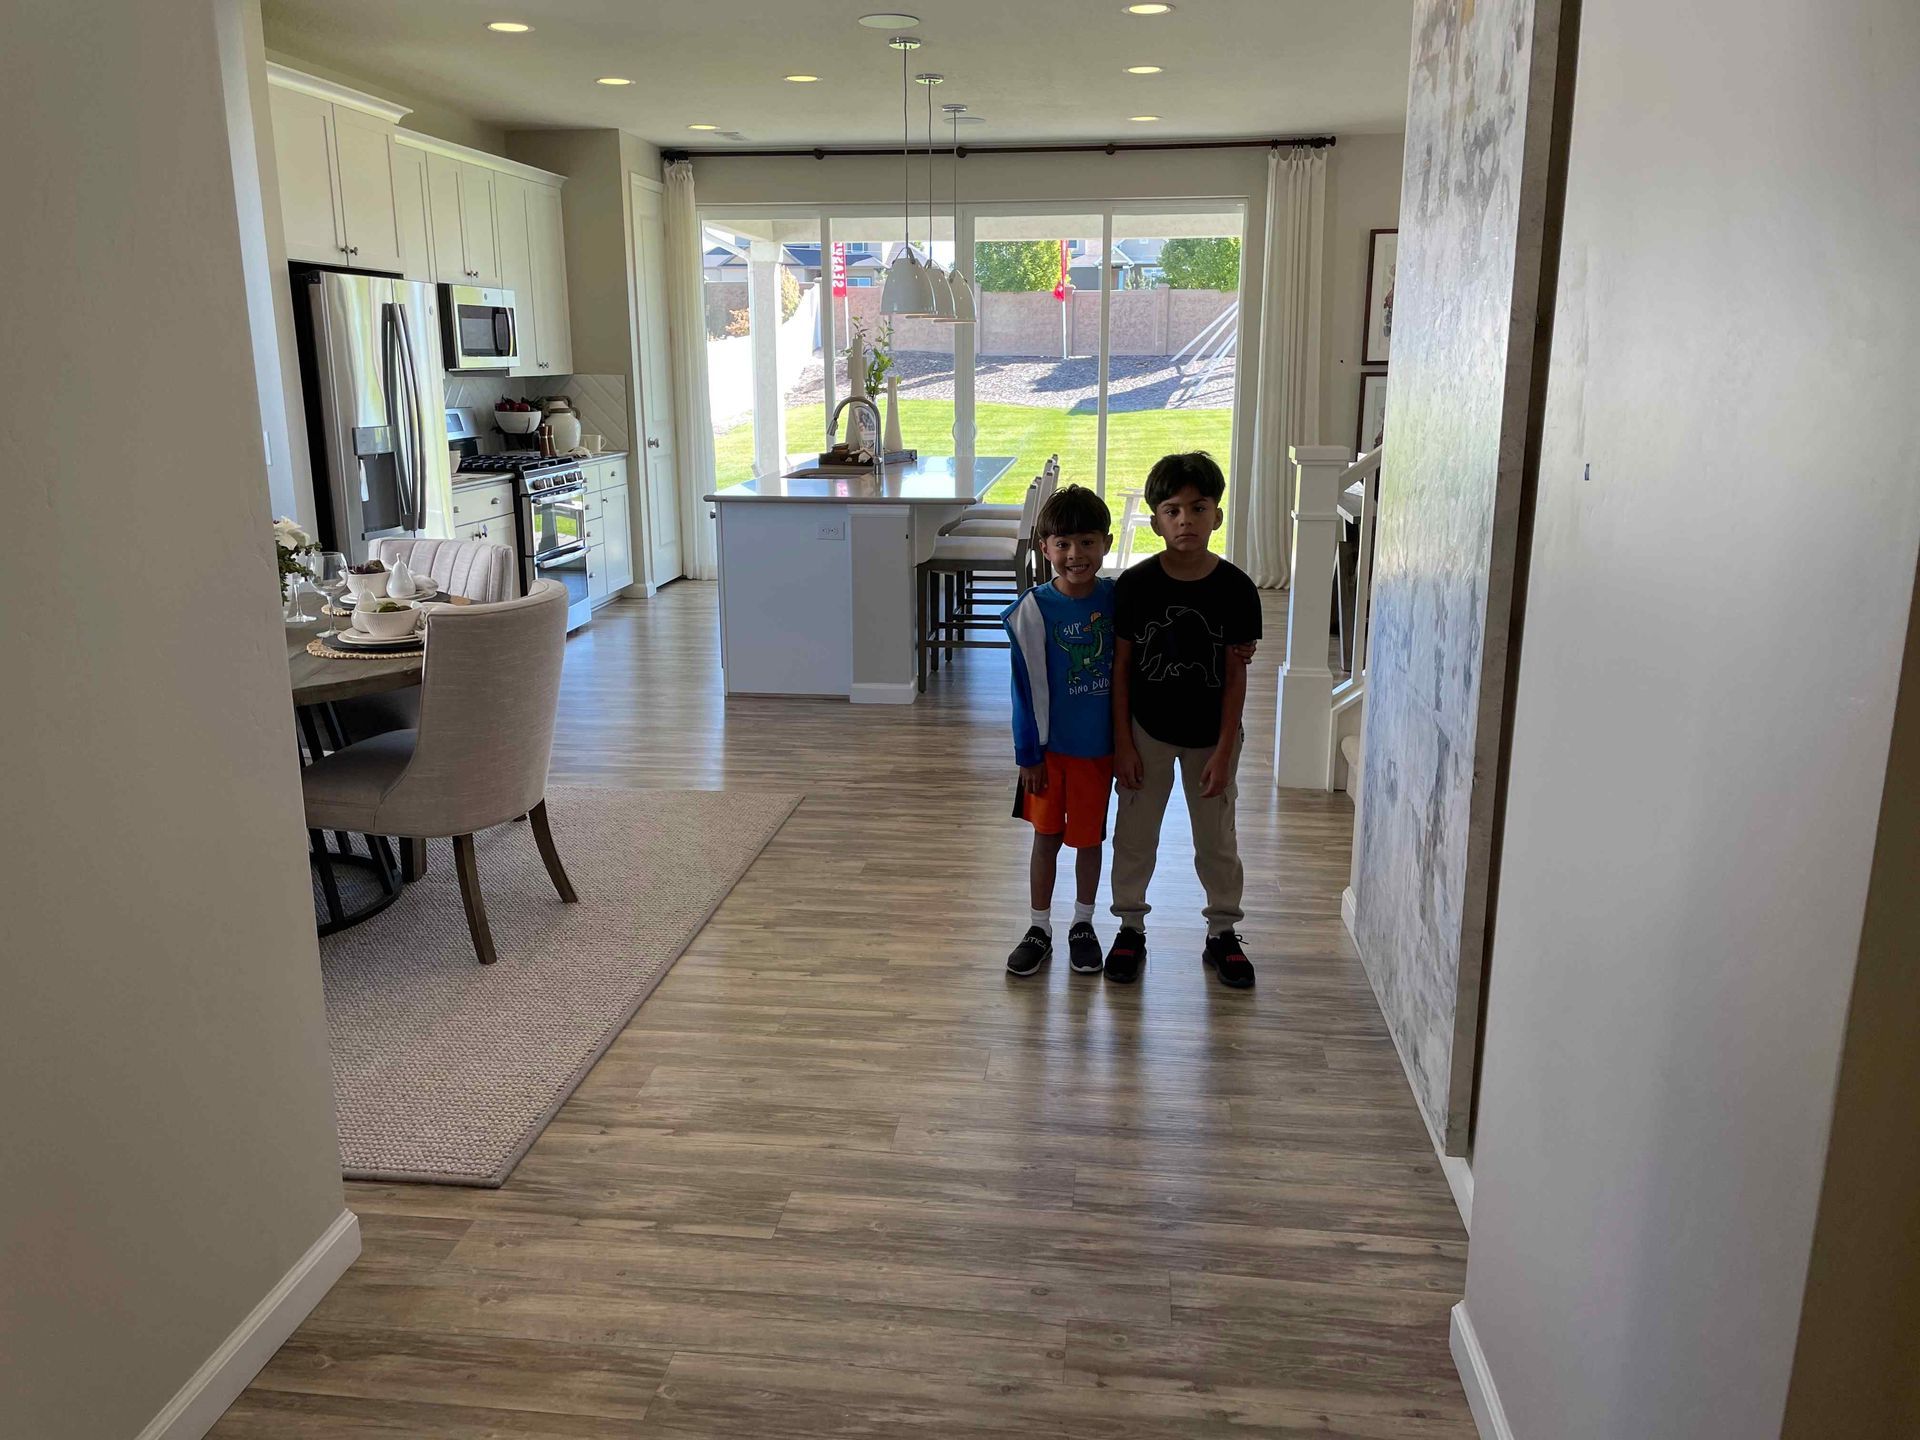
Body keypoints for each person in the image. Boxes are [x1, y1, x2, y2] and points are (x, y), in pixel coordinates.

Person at [1106, 451, 1263, 988]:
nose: (1185, 521)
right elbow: (1122, 666)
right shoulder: (1135, 585)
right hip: (1146, 730)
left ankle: (1223, 931)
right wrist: (1123, 742)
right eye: (1172, 510)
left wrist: (1225, 750)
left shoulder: (1237, 589)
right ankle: (1129, 926)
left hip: (1211, 735)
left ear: (1217, 515)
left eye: (1198, 508)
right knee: (1134, 833)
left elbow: (1236, 674)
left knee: (1216, 839)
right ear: (1155, 520)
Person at [1002, 485, 1117, 977]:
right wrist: (1027, 753)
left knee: (1089, 841)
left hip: (1099, 751)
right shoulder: (1032, 611)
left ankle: (1084, 923)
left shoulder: (1118, 601)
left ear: (1106, 544)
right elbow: (1021, 691)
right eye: (1063, 543)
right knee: (1046, 840)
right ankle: (1039, 926)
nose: (1075, 555)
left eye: (1087, 542)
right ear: (1044, 547)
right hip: (1047, 756)